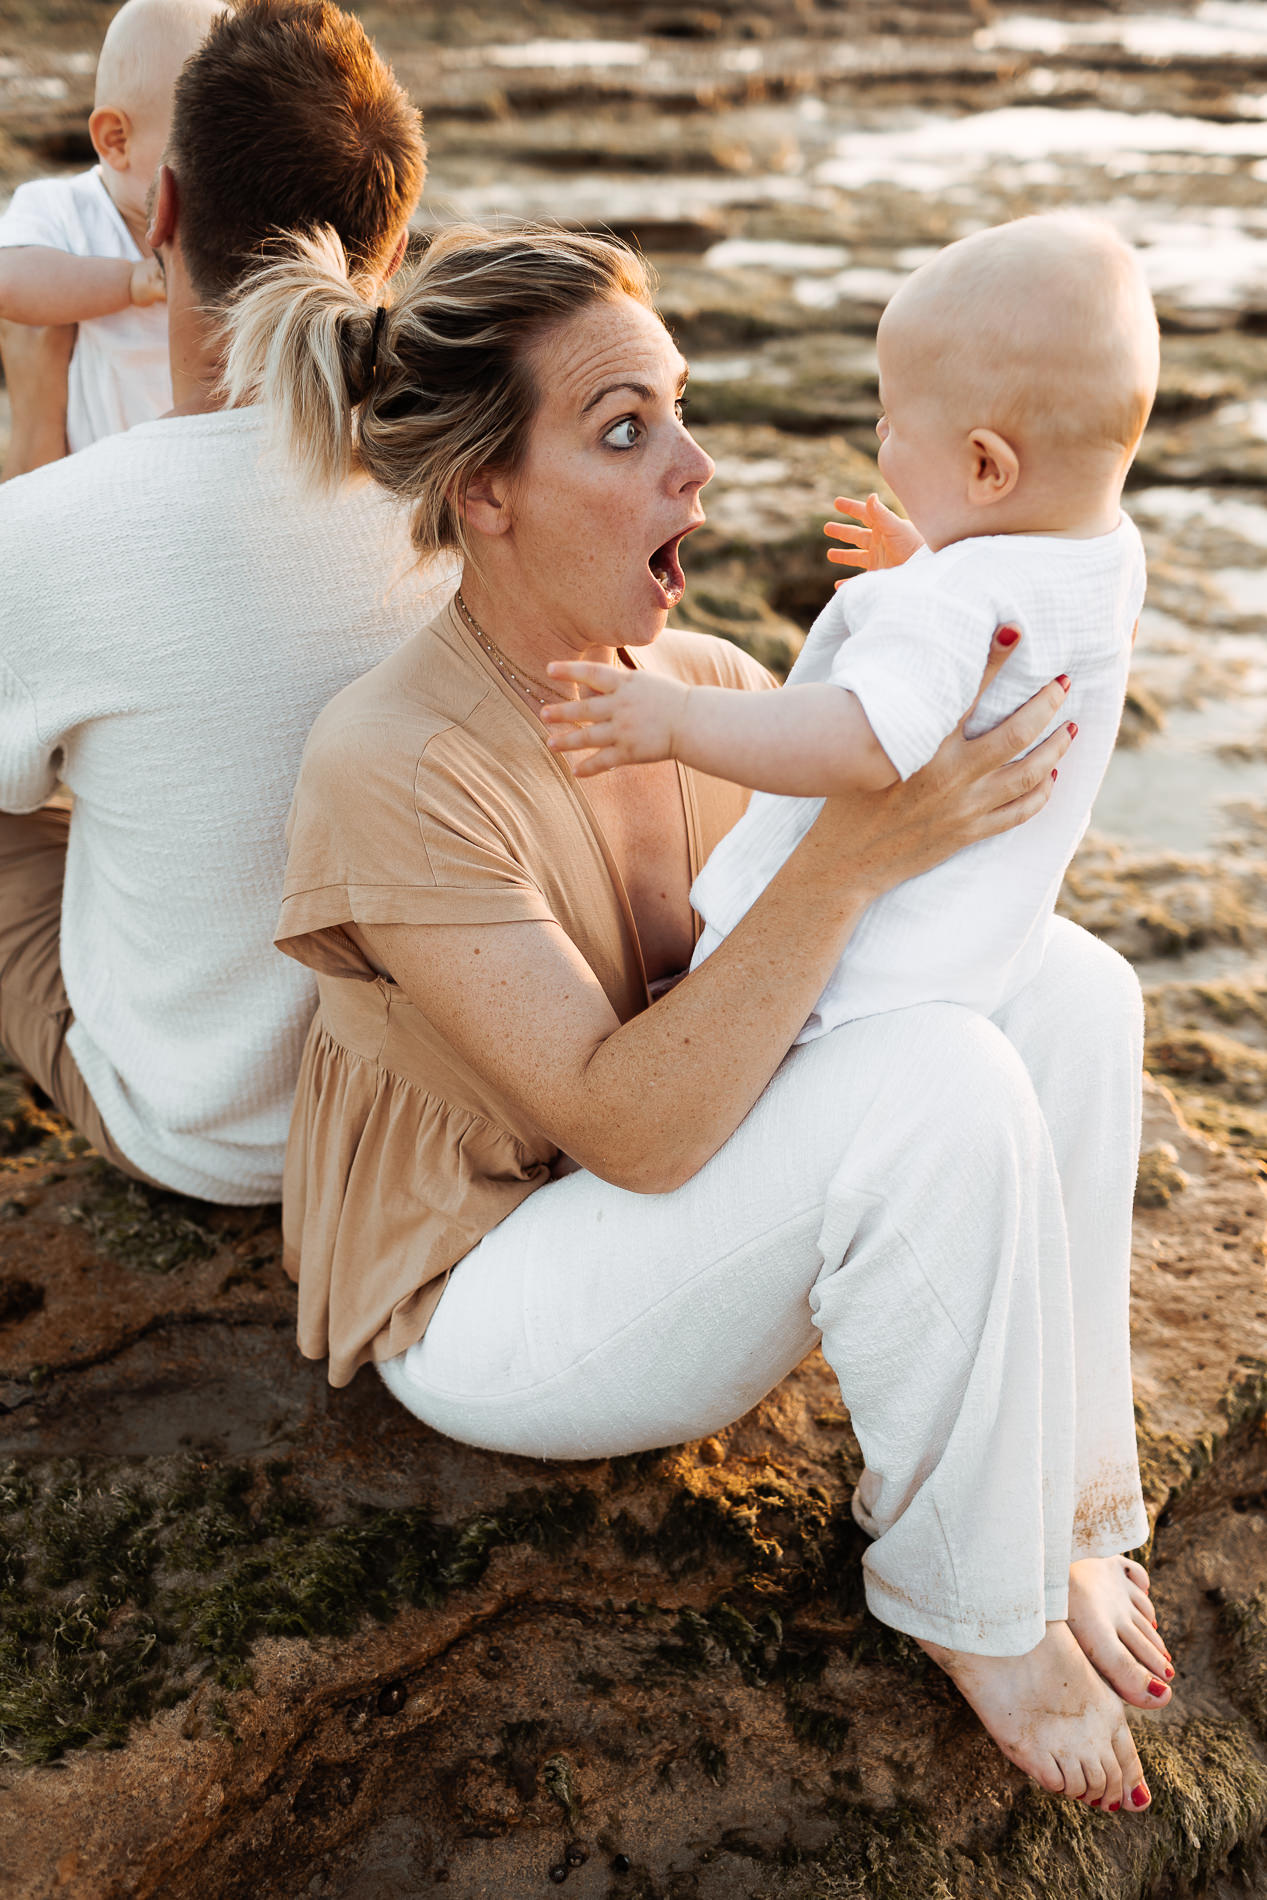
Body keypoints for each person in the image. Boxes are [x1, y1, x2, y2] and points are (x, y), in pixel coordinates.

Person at [225, 218, 1168, 1814]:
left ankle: (1058, 1515)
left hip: (654, 1220)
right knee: (932, 1078)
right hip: (487, 1297)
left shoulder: (712, 691)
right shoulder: (389, 764)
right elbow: (633, 1130)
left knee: (1074, 986)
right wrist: (858, 859)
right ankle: (968, 1606)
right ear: (485, 494)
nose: (697, 466)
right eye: (624, 429)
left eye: (677, 408)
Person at [0, 0, 440, 1202]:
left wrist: (32, 398)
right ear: (388, 248)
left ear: (165, 214)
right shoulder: (477, 487)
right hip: (414, 1114)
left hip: (203, 1136)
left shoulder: (53, 526)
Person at [541, 214, 1158, 1039]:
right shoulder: (1108, 557)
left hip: (843, 980)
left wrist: (677, 720)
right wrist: (926, 563)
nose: (879, 438)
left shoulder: (949, 600)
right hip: (970, 957)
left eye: (894, 422)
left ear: (985, 466)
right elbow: (1015, 634)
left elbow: (860, 737)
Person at [0, 0, 226, 480]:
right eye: (207, 143)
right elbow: (9, 281)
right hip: (87, 475)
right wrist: (127, 282)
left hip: (190, 471)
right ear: (116, 140)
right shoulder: (63, 208)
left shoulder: (221, 219)